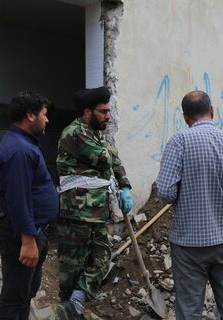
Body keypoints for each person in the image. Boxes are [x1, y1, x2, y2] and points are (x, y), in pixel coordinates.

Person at [156, 90, 223, 320]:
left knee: (189, 308)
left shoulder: (179, 141)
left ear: (185, 117)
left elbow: (165, 192)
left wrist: (189, 193)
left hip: (190, 242)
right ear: (211, 111)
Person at [56, 87, 133, 319]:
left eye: (109, 111)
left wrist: (125, 185)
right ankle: (69, 306)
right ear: (87, 112)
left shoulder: (97, 134)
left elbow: (114, 160)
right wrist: (109, 151)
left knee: (102, 257)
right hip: (77, 211)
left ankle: (76, 302)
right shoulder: (75, 133)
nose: (108, 116)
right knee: (72, 265)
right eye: (103, 111)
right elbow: (104, 159)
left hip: (96, 211)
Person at [0, 91, 58, 319]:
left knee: (24, 294)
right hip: (19, 234)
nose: (47, 119)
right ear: (30, 115)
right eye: (44, 114)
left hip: (30, 230)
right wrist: (28, 240)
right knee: (14, 298)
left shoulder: (25, 144)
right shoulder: (19, 150)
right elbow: (18, 199)